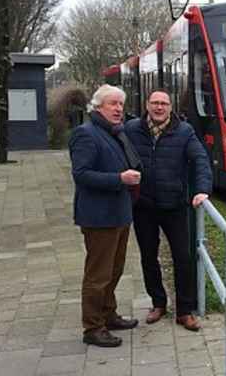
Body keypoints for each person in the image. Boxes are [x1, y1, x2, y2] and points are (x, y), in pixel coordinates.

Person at [125, 89, 212, 331]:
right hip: (144, 206)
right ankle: (158, 303)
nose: (159, 107)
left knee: (183, 258)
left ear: (170, 107)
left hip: (174, 205)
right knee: (148, 257)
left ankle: (185, 311)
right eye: (155, 103)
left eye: (164, 103)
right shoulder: (132, 129)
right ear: (147, 105)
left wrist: (202, 189)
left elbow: (200, 159)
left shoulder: (184, 131)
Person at [69, 84, 142, 347]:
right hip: (99, 216)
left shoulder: (113, 132)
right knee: (98, 275)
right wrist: (119, 179)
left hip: (119, 213)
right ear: (98, 106)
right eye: (113, 104)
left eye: (121, 104)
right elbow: (81, 174)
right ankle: (93, 327)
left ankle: (108, 314)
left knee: (115, 269)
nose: (119, 109)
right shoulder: (85, 134)